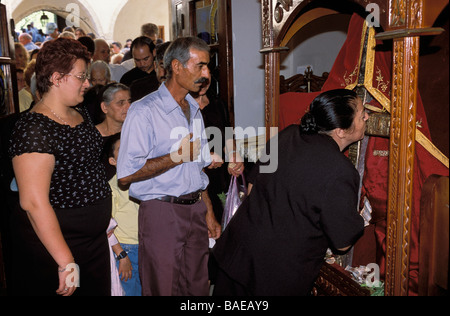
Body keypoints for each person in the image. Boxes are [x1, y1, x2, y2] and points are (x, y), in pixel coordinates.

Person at [212, 89, 368, 296]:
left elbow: (252, 189)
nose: (366, 116)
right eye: (361, 113)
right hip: (274, 276)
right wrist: (360, 218)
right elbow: (342, 243)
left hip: (237, 254)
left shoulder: (288, 134)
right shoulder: (341, 171)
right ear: (341, 130)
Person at [117, 37, 222, 296]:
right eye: (200, 66)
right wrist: (175, 157)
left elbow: (196, 168)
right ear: (176, 66)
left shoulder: (193, 109)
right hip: (161, 211)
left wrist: (207, 209)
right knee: (162, 288)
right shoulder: (144, 111)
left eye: (207, 67)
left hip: (195, 209)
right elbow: (126, 174)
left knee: (197, 288)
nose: (206, 74)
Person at [9, 38, 112, 296]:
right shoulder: (34, 127)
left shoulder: (79, 112)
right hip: (61, 246)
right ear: (56, 78)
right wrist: (66, 261)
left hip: (94, 243)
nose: (87, 83)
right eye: (80, 77)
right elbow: (33, 202)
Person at [104, 133, 141, 296]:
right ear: (112, 161)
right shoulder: (113, 187)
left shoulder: (144, 180)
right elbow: (106, 226)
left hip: (145, 246)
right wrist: (121, 255)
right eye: (120, 148)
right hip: (127, 249)